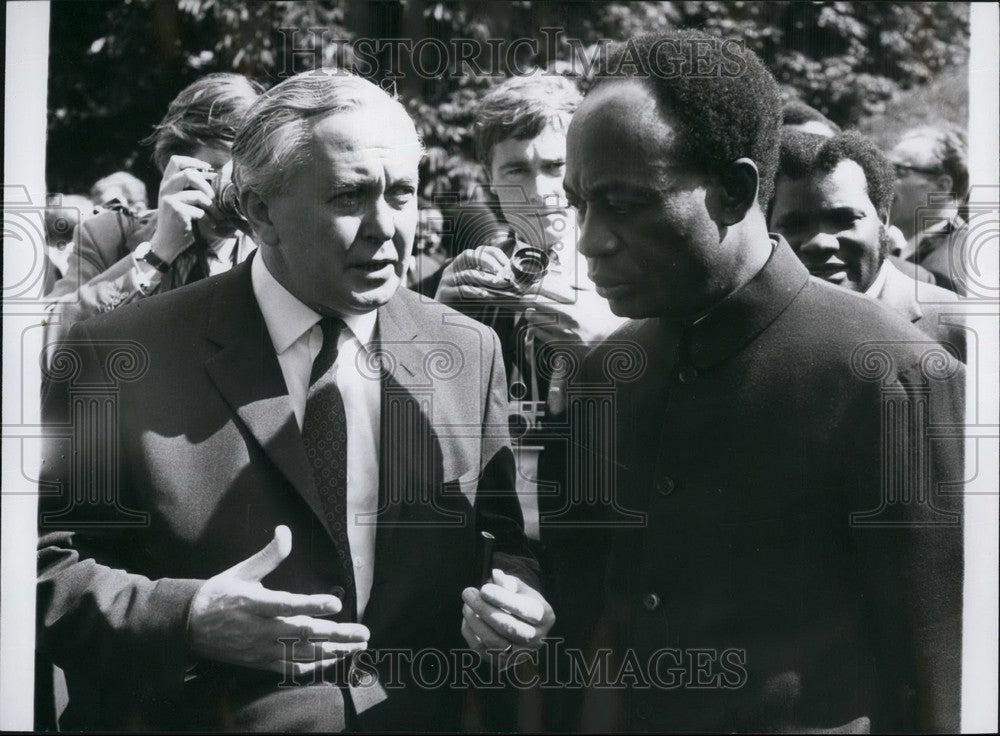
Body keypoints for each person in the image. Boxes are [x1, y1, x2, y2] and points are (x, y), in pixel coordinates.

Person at [37, 71, 553, 731]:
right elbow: (34, 568)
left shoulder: (467, 348)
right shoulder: (118, 353)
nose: (385, 228)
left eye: (401, 194)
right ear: (259, 213)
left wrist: (516, 596)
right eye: (349, 196)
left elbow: (502, 540)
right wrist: (186, 619)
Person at [542, 30, 963, 733]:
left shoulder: (894, 378)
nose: (590, 239)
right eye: (580, 202)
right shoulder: (602, 378)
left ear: (734, 190)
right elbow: (581, 627)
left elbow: (939, 676)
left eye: (625, 201)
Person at [434, 73, 626, 407]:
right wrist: (434, 328)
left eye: (555, 166)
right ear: (488, 176)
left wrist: (612, 346)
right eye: (517, 170)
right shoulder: (465, 283)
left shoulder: (639, 268)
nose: (540, 193)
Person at [43, 73, 262, 350]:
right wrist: (156, 255)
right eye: (220, 168)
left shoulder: (272, 248)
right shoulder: (106, 236)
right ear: (177, 166)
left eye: (249, 170)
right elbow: (47, 342)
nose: (237, 188)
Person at [770, 130, 966, 362]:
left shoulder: (959, 325)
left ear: (883, 219)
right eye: (795, 224)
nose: (819, 242)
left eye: (843, 220)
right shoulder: (754, 327)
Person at [888, 124, 970, 293]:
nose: (884, 179)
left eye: (900, 171)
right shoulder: (910, 249)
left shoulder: (959, 261)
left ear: (942, 187)